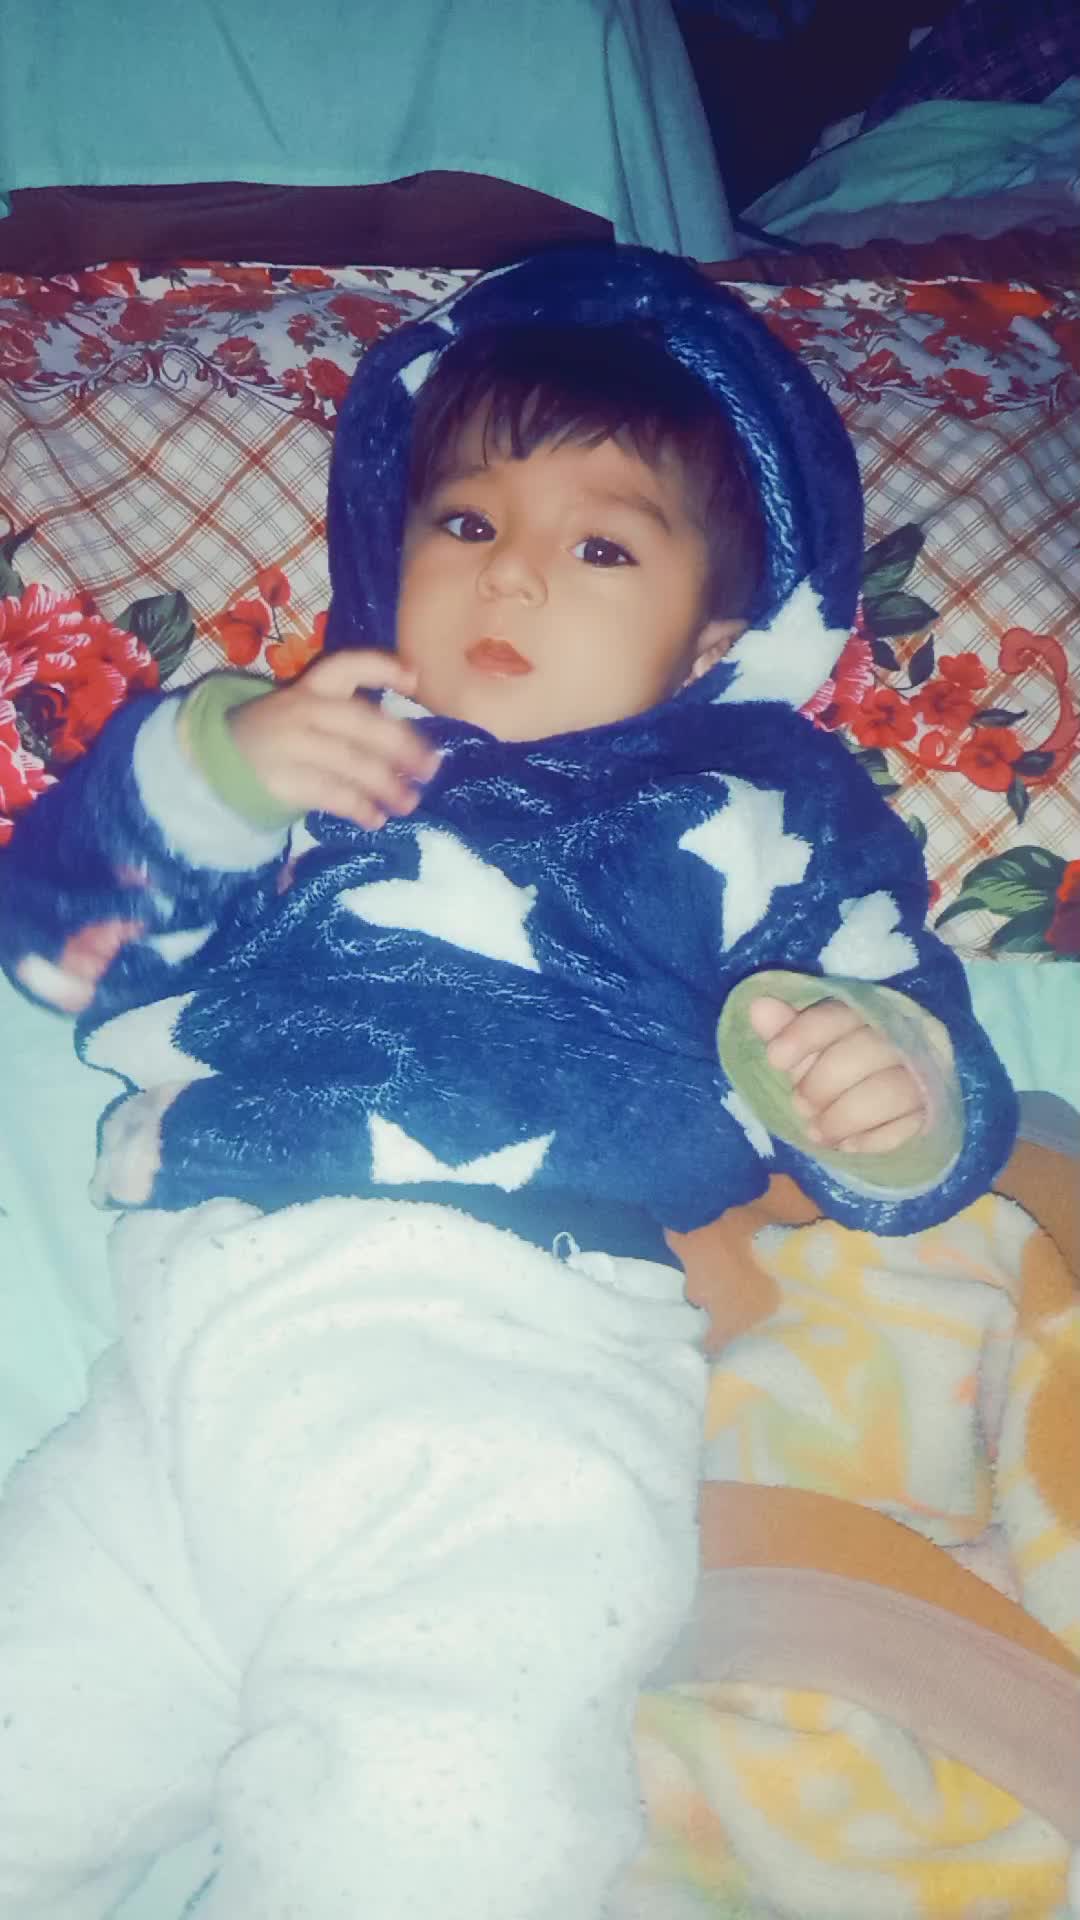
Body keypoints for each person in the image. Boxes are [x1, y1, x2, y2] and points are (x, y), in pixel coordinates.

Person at [0, 246, 1015, 1920]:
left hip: (508, 1371)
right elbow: (62, 953)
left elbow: (902, 1029)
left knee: (444, 1811)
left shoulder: (762, 802)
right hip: (188, 1372)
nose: (516, 577)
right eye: (467, 521)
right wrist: (215, 774)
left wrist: (883, 1082)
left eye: (602, 547)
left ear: (713, 635)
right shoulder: (304, 747)